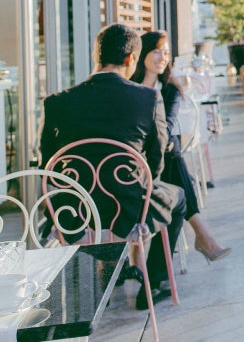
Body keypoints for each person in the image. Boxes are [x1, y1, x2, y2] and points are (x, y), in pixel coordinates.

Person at [40, 23, 187, 311]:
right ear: (132, 59)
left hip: (75, 212)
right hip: (130, 209)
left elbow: (48, 163)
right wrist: (142, 186)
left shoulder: (57, 102)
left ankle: (106, 274)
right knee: (179, 198)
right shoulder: (147, 97)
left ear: (96, 56)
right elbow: (156, 159)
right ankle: (153, 282)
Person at [131, 30, 231, 264]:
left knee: (172, 154)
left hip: (158, 158)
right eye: (157, 51)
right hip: (135, 161)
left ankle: (145, 257)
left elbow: (168, 123)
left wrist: (156, 144)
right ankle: (201, 234)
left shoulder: (170, 88)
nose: (162, 57)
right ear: (143, 53)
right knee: (177, 177)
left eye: (166, 52)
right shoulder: (129, 88)